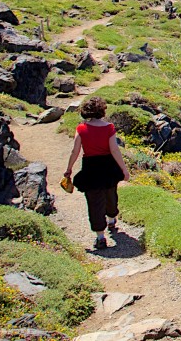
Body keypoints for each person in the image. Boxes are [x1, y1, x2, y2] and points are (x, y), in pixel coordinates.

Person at [64, 97, 131, 250]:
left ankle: (100, 237)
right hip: (108, 166)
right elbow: (114, 150)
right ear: (102, 110)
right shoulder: (109, 128)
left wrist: (69, 168)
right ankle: (112, 218)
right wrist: (124, 169)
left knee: (94, 201)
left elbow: (75, 151)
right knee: (110, 194)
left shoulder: (81, 129)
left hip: (91, 168)